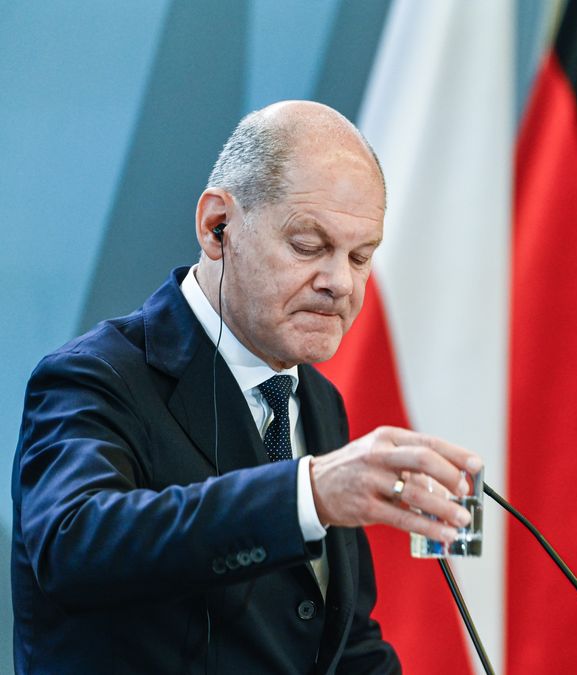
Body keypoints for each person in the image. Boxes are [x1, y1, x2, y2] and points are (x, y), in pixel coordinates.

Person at [11, 100, 482, 674]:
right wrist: (307, 495)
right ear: (218, 227)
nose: (339, 283)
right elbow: (74, 547)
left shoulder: (316, 400)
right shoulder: (95, 376)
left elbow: (339, 642)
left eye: (360, 257)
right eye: (309, 246)